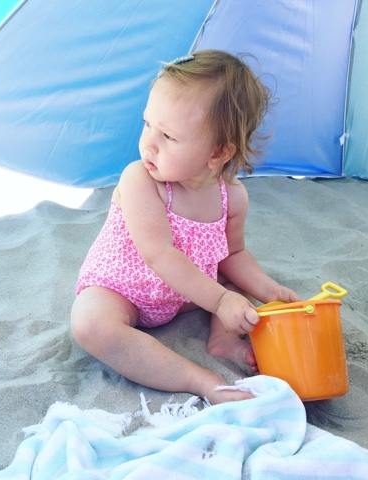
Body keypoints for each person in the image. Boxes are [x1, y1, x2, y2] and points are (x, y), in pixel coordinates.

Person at [71, 49, 299, 404]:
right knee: (90, 323)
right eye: (148, 124)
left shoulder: (231, 197)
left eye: (168, 136)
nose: (149, 143)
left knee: (238, 288)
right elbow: (159, 253)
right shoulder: (140, 180)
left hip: (185, 296)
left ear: (217, 154)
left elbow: (233, 255)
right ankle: (197, 379)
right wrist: (220, 299)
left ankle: (222, 342)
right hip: (122, 291)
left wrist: (271, 290)